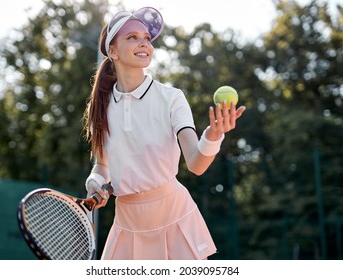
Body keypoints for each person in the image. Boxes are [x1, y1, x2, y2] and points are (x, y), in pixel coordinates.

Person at [83, 7, 245, 260]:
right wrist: (94, 184)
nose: (143, 43)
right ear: (112, 50)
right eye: (132, 37)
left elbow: (196, 163)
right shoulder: (101, 107)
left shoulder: (172, 98)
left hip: (174, 215)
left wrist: (213, 136)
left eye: (147, 38)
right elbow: (101, 166)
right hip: (127, 221)